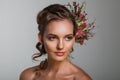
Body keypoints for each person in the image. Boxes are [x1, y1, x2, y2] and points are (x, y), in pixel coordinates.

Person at [20, 4, 92, 80]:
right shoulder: (28, 76)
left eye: (68, 38)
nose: (60, 46)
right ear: (41, 38)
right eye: (53, 38)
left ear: (74, 39)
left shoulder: (81, 78)